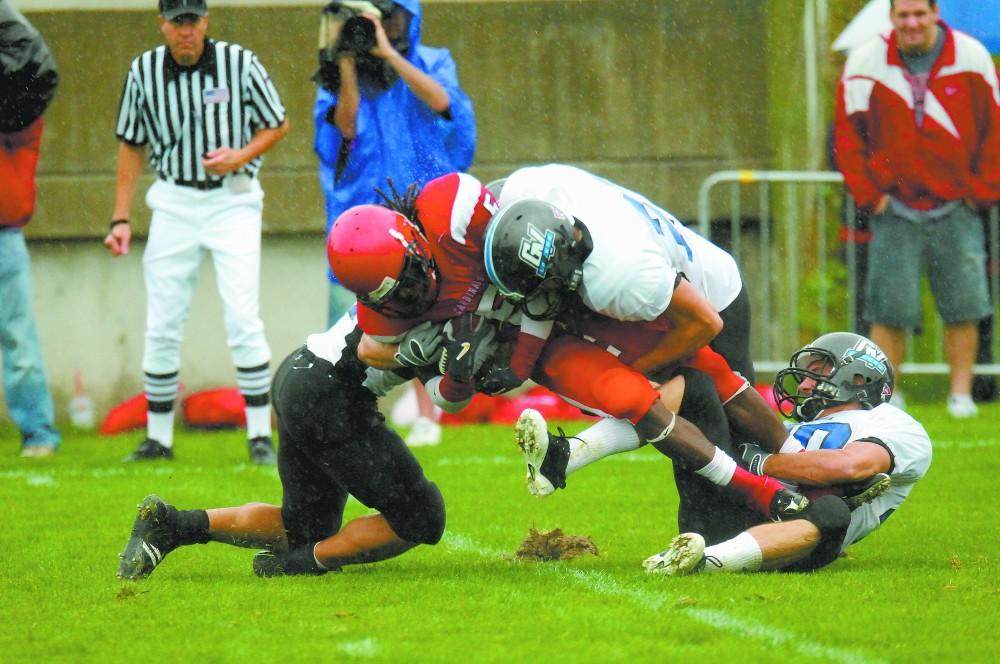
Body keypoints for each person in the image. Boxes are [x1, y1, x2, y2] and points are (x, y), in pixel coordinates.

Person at [328, 175, 810, 522]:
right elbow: (444, 393)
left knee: (711, 380)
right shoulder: (392, 312)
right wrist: (450, 369)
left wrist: (519, 358)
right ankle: (764, 501)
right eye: (394, 293)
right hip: (552, 325)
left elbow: (533, 275)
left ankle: (803, 477)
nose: (411, 294)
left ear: (416, 240)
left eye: (411, 276)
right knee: (636, 399)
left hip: (630, 299)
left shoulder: (601, 271)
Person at [116, 308, 446, 579]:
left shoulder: (425, 280)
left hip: (302, 372)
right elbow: (441, 387)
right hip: (330, 395)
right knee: (422, 516)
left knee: (304, 528)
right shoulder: (446, 290)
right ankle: (303, 563)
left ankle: (171, 524)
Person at [104, 0, 289, 463]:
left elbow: (277, 123)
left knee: (242, 315)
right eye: (176, 21)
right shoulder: (143, 71)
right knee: (163, 317)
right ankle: (159, 438)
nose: (185, 30)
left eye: (192, 21)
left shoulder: (238, 62)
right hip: (175, 199)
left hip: (233, 197)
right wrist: (120, 217)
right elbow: (131, 145)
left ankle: (258, 436)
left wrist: (240, 156)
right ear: (162, 23)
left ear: (205, 21)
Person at [313, 0, 475, 446]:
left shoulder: (432, 60)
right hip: (365, 209)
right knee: (355, 315)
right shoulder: (340, 73)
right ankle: (358, 414)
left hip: (420, 199)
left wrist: (388, 54)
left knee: (423, 305)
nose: (382, 26)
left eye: (390, 17)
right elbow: (344, 128)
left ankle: (428, 416)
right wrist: (345, 61)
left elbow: (445, 103)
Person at [643, 332, 932, 575]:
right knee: (697, 382)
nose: (804, 384)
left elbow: (850, 466)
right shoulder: (793, 427)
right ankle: (614, 430)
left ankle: (705, 562)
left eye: (818, 371)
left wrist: (760, 463)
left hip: (795, 537)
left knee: (833, 508)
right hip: (725, 507)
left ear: (858, 379)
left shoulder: (892, 423)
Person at [833, 0, 1000, 419]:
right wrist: (870, 196)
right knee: (888, 309)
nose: (911, 23)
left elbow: (995, 127)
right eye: (902, 15)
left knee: (963, 307)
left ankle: (960, 395)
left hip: (957, 205)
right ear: (891, 18)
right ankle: (886, 395)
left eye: (919, 14)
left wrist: (981, 191)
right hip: (894, 207)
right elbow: (847, 138)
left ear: (934, 13)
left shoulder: (972, 56)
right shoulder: (865, 61)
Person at [0, 0, 61, 457]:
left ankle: (38, 431)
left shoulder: (20, 118)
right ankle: (38, 431)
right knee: (18, 336)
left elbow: (30, 67)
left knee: (18, 337)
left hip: (5, 233)